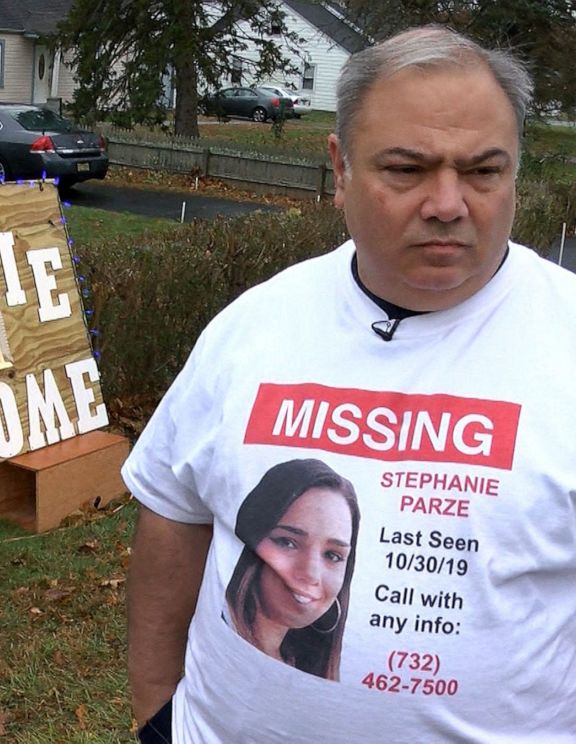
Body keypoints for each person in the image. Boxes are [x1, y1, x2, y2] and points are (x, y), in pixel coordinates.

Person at [122, 24, 576, 743]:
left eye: (485, 171)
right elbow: (174, 510)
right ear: (339, 169)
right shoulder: (255, 325)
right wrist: (156, 713)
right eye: (407, 169)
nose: (449, 204)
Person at [224, 459, 360, 681]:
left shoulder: (303, 664)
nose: (311, 573)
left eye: (332, 555)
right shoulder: (223, 647)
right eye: (288, 542)